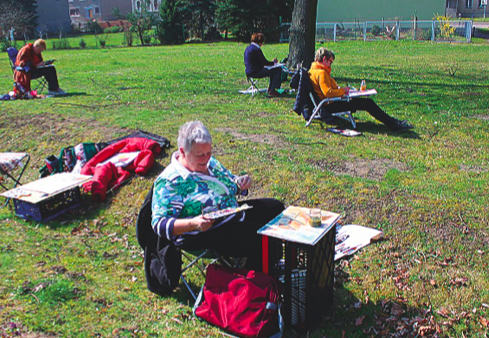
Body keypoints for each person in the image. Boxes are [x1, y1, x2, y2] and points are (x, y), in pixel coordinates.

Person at [151, 121, 284, 271]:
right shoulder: (170, 181)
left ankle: (270, 263)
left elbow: (230, 183)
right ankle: (258, 279)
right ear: (183, 152)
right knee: (262, 238)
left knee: (277, 208)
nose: (206, 158)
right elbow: (159, 224)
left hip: (231, 214)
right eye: (200, 155)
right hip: (201, 233)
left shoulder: (210, 163)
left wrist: (240, 184)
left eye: (209, 152)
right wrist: (194, 223)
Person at [309, 47, 413, 132]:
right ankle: (394, 124)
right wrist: (343, 91)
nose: (330, 65)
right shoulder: (321, 73)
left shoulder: (313, 70)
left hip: (330, 103)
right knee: (368, 103)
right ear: (324, 60)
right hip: (331, 105)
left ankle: (394, 122)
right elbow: (327, 92)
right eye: (330, 62)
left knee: (367, 102)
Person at [244, 33, 282, 97]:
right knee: (277, 70)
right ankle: (272, 90)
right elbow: (264, 62)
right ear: (260, 42)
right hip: (256, 71)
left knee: (272, 70)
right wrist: (274, 63)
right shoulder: (256, 49)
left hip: (249, 71)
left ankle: (271, 89)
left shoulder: (248, 48)